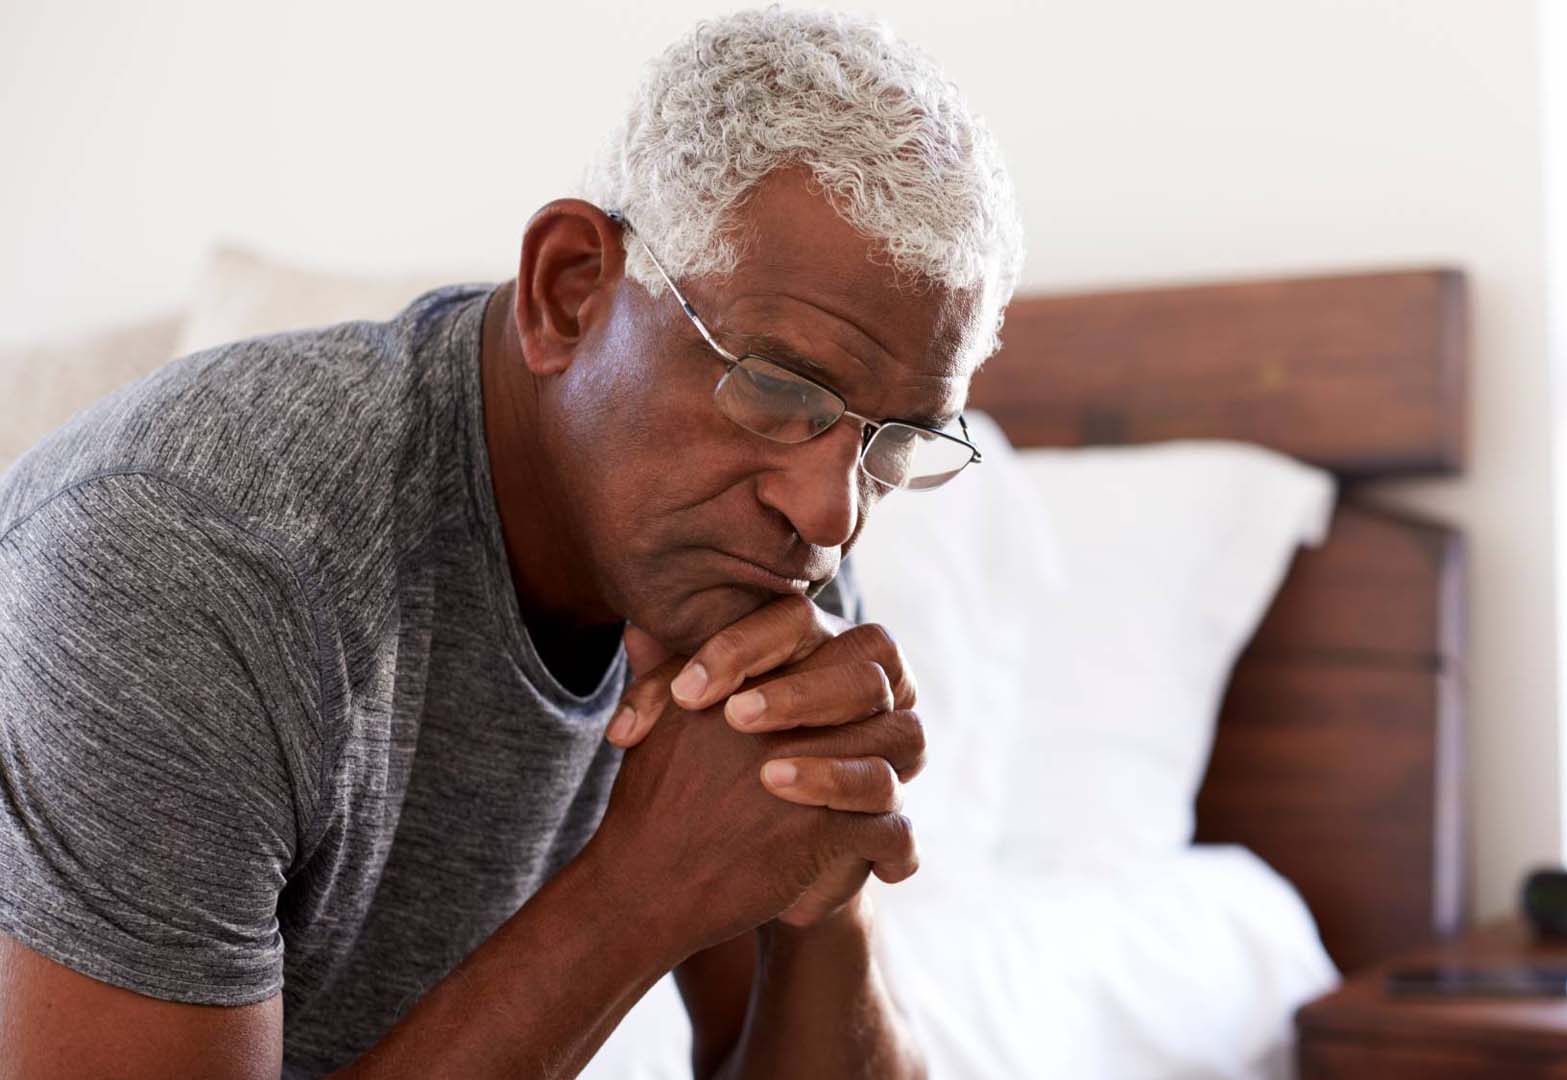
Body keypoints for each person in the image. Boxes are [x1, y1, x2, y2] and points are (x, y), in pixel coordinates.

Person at [0, 8, 1023, 1077]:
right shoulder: (190, 557)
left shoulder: (771, 530)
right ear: (569, 289)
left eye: (895, 443)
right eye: (774, 387)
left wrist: (828, 877)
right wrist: (642, 887)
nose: (834, 515)